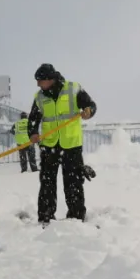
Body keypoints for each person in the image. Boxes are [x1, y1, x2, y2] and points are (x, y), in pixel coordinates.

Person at [27, 63, 96, 224]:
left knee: (73, 183)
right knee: (47, 183)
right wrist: (33, 133)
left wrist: (88, 111)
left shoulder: (73, 89)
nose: (38, 84)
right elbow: (33, 119)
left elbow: (91, 105)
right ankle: (45, 217)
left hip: (71, 145)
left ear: (49, 79)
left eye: (40, 81)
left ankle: (76, 217)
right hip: (49, 146)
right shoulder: (40, 97)